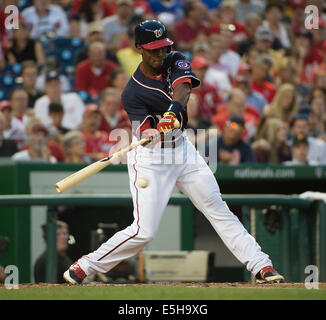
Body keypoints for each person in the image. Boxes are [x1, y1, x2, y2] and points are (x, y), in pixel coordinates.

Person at [63, 20, 284, 285]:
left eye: (162, 48)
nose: (160, 54)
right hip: (151, 158)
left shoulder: (175, 59)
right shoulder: (131, 92)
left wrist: (170, 115)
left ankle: (262, 266)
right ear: (139, 49)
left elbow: (183, 92)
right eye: (153, 49)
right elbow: (145, 131)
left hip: (182, 150)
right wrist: (152, 133)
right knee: (144, 232)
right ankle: (84, 266)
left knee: (217, 208)